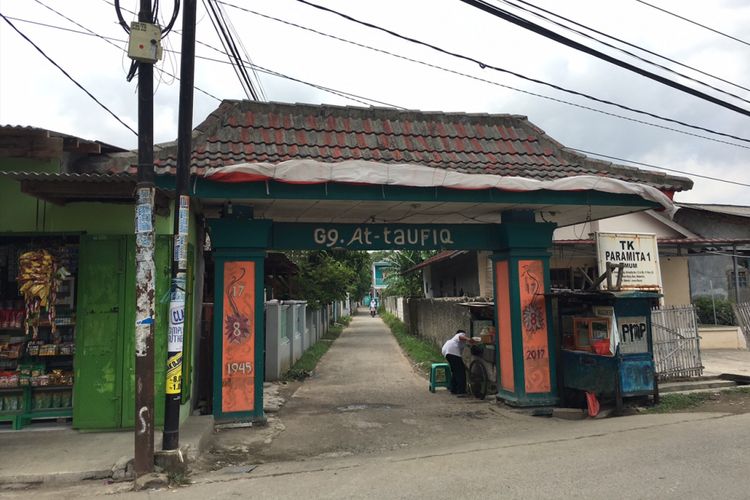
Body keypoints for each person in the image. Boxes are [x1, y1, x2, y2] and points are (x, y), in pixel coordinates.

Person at [441, 329, 475, 396]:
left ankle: (454, 389)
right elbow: (461, 336)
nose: (464, 336)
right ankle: (461, 391)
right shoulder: (460, 334)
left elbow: (465, 345)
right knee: (460, 372)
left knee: (455, 371)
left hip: (447, 351)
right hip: (452, 351)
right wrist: (469, 339)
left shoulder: (458, 342)